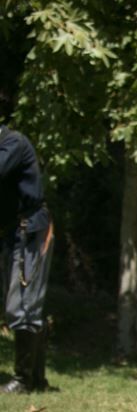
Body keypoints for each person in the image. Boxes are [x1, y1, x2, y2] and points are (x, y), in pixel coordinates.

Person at [0, 125, 53, 394]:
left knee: (21, 305)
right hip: (14, 232)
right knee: (21, 304)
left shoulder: (13, 144)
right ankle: (36, 380)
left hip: (29, 230)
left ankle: (24, 381)